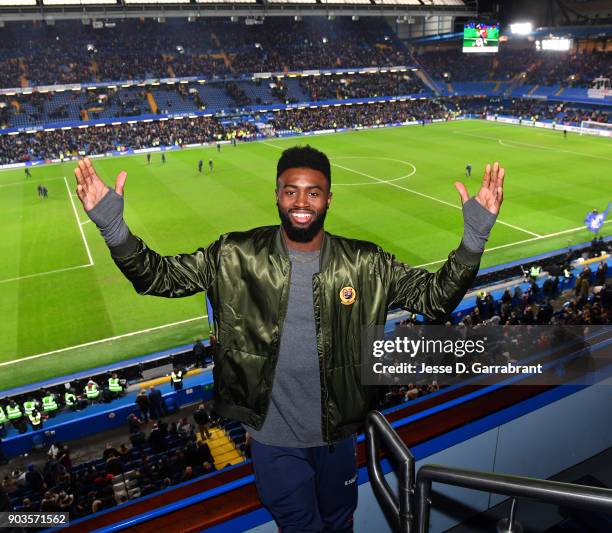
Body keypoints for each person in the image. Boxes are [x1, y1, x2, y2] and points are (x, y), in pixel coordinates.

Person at [74, 147, 505, 532]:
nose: (302, 202)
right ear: (277, 194)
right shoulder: (234, 255)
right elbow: (158, 276)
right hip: (273, 441)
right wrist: (114, 228)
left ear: (329, 198)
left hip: (337, 438)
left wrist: (474, 239)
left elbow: (435, 299)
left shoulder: (366, 263)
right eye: (291, 191)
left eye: (313, 192)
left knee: (339, 524)